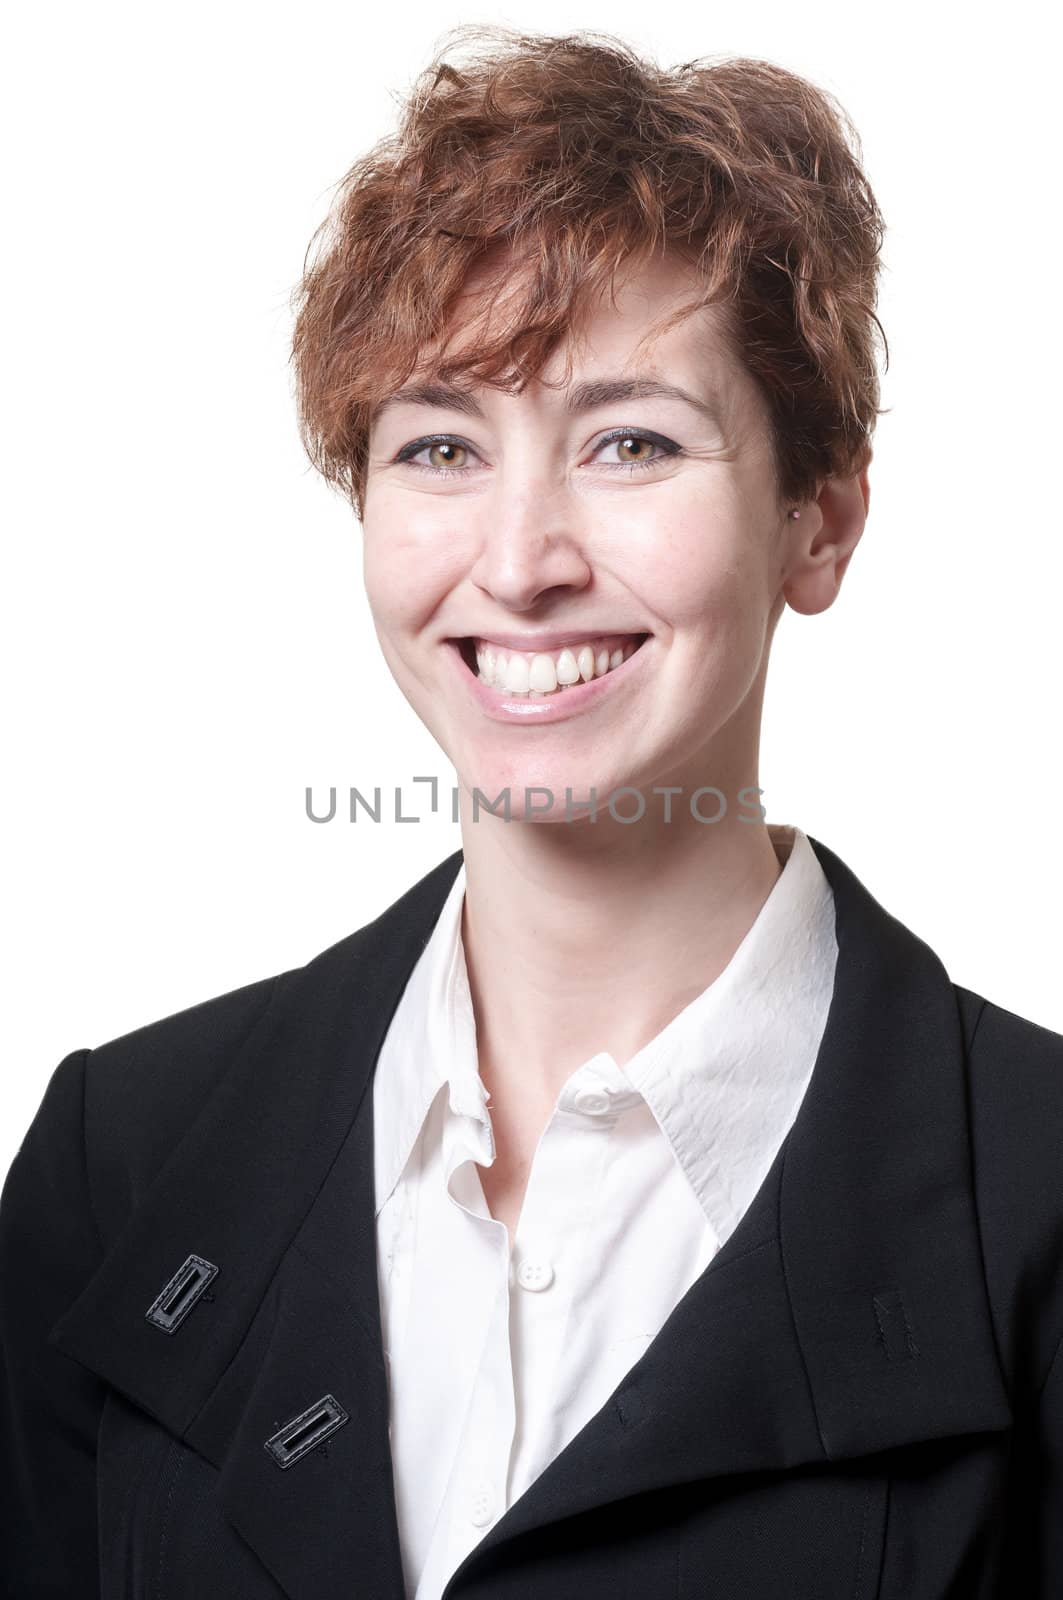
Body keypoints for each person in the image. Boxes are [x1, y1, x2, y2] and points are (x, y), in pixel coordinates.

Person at [2, 23, 1061, 1600]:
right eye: (439, 444)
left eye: (632, 440)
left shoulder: (1041, 1209)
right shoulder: (122, 1164)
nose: (518, 559)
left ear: (819, 522)